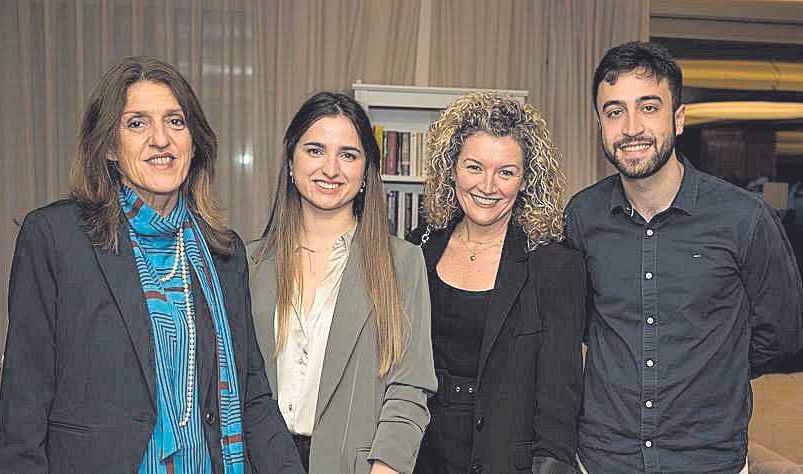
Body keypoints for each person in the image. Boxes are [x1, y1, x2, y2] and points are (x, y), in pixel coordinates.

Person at [0, 56, 304, 474]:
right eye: (137, 123)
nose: (161, 139)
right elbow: (23, 408)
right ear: (107, 146)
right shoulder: (56, 238)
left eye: (175, 122)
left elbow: (252, 397)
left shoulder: (223, 253)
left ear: (194, 142)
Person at [565, 41, 803, 474]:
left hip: (709, 461)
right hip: (603, 460)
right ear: (599, 124)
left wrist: (716, 368)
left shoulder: (744, 218)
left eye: (648, 107)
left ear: (678, 118)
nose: (631, 127)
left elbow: (781, 334)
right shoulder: (582, 217)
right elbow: (580, 323)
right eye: (615, 111)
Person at [247, 91, 436, 474]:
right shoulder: (248, 264)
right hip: (258, 462)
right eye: (315, 150)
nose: (330, 169)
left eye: (348, 154)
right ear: (290, 161)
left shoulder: (403, 263)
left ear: (366, 170)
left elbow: (409, 388)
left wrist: (386, 468)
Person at [407, 92, 586, 474]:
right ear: (451, 169)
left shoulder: (554, 263)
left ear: (525, 181)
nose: (488, 186)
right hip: (423, 452)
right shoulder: (418, 248)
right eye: (474, 167)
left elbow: (559, 394)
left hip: (509, 457)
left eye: (506, 172)